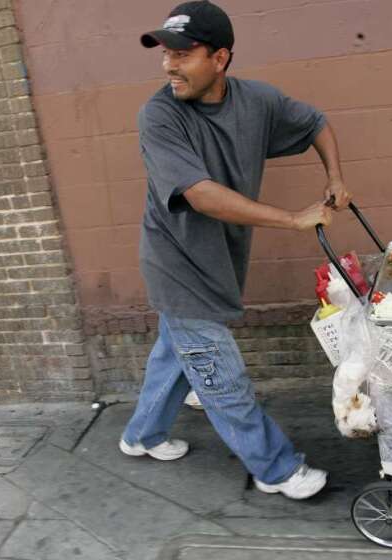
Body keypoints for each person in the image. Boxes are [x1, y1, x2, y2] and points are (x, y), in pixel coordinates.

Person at [120, 1, 351, 500]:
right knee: (219, 377)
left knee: (174, 355)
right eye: (165, 53)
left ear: (220, 58)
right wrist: (292, 218)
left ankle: (141, 434)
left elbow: (315, 123)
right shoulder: (159, 116)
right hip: (175, 262)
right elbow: (201, 195)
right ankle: (276, 468)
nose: (168, 65)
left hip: (218, 258)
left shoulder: (257, 101)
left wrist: (335, 177)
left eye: (183, 53)